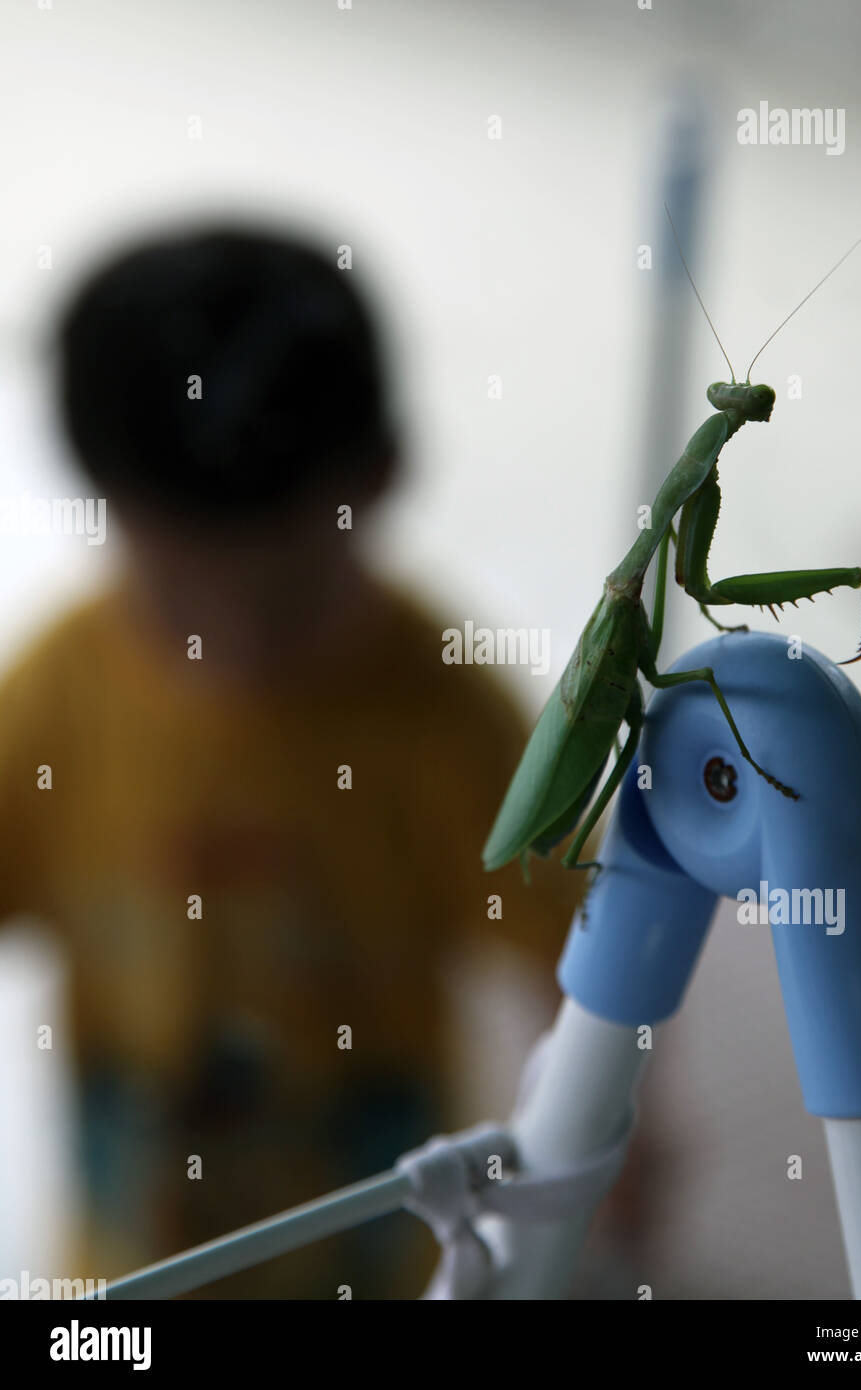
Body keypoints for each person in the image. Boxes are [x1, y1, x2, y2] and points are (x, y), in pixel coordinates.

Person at [0, 223, 582, 1298]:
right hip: (119, 1283)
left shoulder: (455, 719)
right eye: (174, 595)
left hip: (385, 1269)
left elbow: (584, 970)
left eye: (284, 595)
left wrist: (620, 1137)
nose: (231, 642)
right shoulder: (44, 702)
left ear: (385, 477)